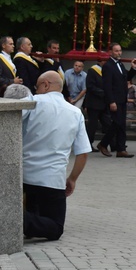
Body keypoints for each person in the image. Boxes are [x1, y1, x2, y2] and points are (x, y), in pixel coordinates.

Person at [21, 71, 91, 240]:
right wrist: (72, 179)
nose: (35, 91)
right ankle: (17, 220)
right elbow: (82, 153)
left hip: (25, 177)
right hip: (52, 180)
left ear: (45, 84)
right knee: (55, 227)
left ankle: (20, 220)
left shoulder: (32, 102)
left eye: (36, 87)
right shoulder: (75, 112)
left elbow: (7, 118)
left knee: (34, 210)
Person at [97, 43, 136, 158]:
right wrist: (111, 101)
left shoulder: (119, 64)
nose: (119, 53)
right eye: (116, 51)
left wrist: (133, 68)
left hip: (122, 98)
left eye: (120, 51)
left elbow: (127, 78)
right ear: (110, 52)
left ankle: (121, 149)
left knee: (121, 124)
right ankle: (103, 143)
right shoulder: (108, 66)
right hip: (114, 99)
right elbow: (107, 86)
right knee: (117, 122)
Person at [83, 57, 108, 152]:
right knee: (92, 126)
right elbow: (90, 86)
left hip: (103, 103)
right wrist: (103, 92)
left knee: (108, 124)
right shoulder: (92, 70)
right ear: (99, 61)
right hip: (93, 103)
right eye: (104, 61)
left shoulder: (106, 71)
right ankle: (88, 144)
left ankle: (112, 143)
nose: (106, 63)